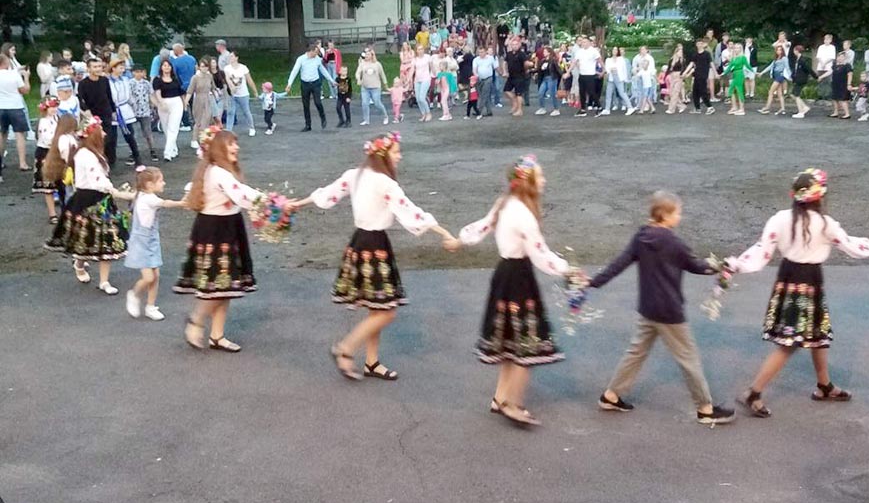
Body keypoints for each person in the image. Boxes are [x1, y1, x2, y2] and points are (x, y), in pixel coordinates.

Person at [291, 132, 457, 380]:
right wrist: (445, 233)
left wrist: (297, 204)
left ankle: (372, 362)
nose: (400, 156)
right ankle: (344, 348)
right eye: (396, 152)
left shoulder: (355, 175)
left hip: (360, 243)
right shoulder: (384, 183)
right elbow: (410, 212)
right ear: (383, 154)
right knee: (385, 311)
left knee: (377, 308)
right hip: (374, 245)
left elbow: (327, 195)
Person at [728, 169, 869, 418]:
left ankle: (824, 385)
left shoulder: (780, 219)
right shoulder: (825, 224)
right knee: (791, 342)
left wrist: (736, 265)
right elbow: (851, 246)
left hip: (787, 277)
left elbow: (761, 250)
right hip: (809, 279)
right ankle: (754, 392)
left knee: (818, 333)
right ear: (820, 197)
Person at [588, 192, 735, 424]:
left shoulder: (641, 237)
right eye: (678, 212)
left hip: (648, 308)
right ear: (665, 215)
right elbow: (695, 265)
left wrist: (594, 281)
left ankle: (611, 395)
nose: (680, 216)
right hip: (669, 311)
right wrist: (720, 267)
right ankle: (705, 408)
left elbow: (619, 263)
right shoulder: (673, 242)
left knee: (636, 352)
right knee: (688, 357)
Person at [456, 155, 573, 426]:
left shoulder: (506, 203)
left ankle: (500, 397)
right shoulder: (522, 214)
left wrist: (461, 239)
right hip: (518, 279)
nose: (544, 180)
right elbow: (541, 254)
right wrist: (568, 270)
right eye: (539, 176)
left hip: (504, 276)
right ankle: (512, 403)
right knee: (526, 347)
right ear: (527, 181)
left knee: (510, 342)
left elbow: (483, 226)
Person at [175, 128, 265, 353]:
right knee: (219, 284)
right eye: (231, 144)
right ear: (218, 148)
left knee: (226, 287)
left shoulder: (220, 171)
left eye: (236, 143)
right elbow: (241, 194)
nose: (237, 147)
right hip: (216, 230)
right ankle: (196, 320)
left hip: (227, 226)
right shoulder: (217, 173)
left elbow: (239, 195)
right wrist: (271, 202)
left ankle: (217, 335)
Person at [45, 117, 131, 293]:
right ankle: (79, 264)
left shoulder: (94, 152)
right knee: (87, 238)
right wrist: (117, 192)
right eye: (101, 131)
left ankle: (104, 281)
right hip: (87, 199)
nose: (105, 133)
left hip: (100, 198)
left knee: (106, 239)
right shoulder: (85, 155)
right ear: (93, 135)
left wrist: (112, 190)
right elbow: (97, 179)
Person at [124, 166, 186, 321]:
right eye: (161, 180)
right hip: (141, 242)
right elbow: (166, 203)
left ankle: (151, 306)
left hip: (151, 239)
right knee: (149, 277)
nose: (164, 183)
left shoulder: (141, 195)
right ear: (150, 185)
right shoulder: (149, 198)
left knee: (156, 274)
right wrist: (182, 203)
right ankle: (134, 294)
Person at [77, 58, 117, 162]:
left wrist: (113, 111)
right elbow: (80, 99)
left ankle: (109, 160)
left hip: (106, 112)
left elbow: (109, 96)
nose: (98, 69)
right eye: (95, 67)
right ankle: (96, 159)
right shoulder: (83, 84)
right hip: (92, 115)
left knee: (108, 138)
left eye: (99, 66)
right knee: (94, 138)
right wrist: (86, 110)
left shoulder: (104, 80)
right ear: (88, 69)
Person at [285, 45, 332, 131]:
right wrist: (289, 84)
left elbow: (323, 70)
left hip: (315, 83)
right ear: (311, 51)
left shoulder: (317, 59)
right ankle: (308, 125)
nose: (317, 54)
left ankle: (323, 117)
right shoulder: (301, 59)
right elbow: (295, 71)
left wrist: (331, 80)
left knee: (318, 102)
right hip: (305, 84)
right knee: (306, 105)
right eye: (316, 52)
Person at [0, 53, 31, 180]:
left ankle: (0, 160)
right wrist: (26, 77)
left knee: (2, 134)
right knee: (20, 134)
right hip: (16, 106)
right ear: (5, 62)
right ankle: (22, 162)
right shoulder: (13, 74)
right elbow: (25, 90)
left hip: (1, 106)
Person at [108, 58, 142, 166]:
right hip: (113, 110)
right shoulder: (107, 81)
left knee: (129, 135)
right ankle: (111, 160)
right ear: (113, 68)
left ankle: (137, 157)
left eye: (123, 67)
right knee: (112, 138)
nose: (122, 70)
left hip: (125, 109)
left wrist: (133, 105)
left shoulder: (125, 80)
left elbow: (129, 95)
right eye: (120, 67)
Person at [32, 98, 60, 223]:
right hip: (46, 153)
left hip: (57, 152)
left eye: (56, 106)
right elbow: (47, 139)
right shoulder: (43, 122)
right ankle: (52, 214)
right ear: (45, 108)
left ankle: (64, 211)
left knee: (61, 183)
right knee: (48, 185)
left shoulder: (57, 119)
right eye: (51, 107)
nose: (54, 109)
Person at [152, 59, 185, 162]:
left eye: (168, 65)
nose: (167, 67)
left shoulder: (176, 79)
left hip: (176, 102)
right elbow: (157, 93)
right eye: (164, 65)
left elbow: (181, 92)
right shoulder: (157, 80)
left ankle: (167, 152)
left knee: (173, 127)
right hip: (164, 103)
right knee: (166, 127)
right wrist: (161, 103)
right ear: (161, 67)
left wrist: (184, 104)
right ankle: (173, 148)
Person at [184, 58, 217, 148]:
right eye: (202, 66)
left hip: (207, 98)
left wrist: (217, 94)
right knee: (198, 120)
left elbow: (213, 87)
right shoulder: (195, 78)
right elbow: (190, 91)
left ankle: (204, 140)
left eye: (206, 66)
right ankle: (194, 139)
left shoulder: (209, 76)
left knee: (206, 120)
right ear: (199, 67)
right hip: (198, 99)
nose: (204, 68)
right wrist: (186, 102)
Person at [356, 48, 390, 126]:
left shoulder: (377, 64)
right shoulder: (362, 64)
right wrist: (358, 79)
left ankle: (385, 116)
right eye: (366, 54)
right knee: (364, 103)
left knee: (377, 103)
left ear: (372, 55)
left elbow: (382, 75)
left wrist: (385, 85)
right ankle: (366, 120)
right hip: (365, 87)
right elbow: (358, 73)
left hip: (375, 87)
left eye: (368, 54)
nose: (366, 56)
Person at [680, 40, 715, 115]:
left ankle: (710, 107)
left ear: (703, 45)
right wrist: (685, 72)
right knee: (695, 92)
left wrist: (715, 73)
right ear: (696, 45)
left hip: (703, 75)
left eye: (701, 44)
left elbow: (711, 63)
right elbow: (691, 64)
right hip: (696, 74)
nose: (699, 45)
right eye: (698, 44)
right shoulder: (695, 54)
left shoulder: (706, 54)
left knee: (703, 91)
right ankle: (697, 108)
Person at [569, 37, 602, 117]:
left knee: (591, 92)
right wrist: (568, 71)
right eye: (582, 42)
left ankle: (599, 106)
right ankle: (583, 109)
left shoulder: (593, 51)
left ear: (589, 43)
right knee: (582, 92)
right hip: (582, 74)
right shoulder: (579, 52)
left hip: (590, 74)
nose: (583, 44)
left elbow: (599, 61)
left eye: (585, 42)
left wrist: (603, 70)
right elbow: (574, 62)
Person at [129, 67, 157, 161]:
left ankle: (152, 150)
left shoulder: (146, 83)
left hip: (145, 111)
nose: (139, 74)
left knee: (148, 132)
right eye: (137, 72)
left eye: (141, 72)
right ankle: (134, 153)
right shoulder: (130, 83)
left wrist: (153, 105)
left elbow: (151, 95)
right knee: (134, 134)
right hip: (133, 111)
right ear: (133, 73)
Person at [757, 45, 789, 115]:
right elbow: (770, 66)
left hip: (780, 76)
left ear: (782, 51)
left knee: (771, 92)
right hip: (776, 75)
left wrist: (791, 76)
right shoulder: (776, 59)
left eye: (780, 50)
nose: (779, 51)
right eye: (777, 50)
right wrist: (762, 73)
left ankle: (767, 108)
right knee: (779, 93)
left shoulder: (784, 58)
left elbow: (787, 67)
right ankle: (782, 108)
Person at [788, 44, 817, 119]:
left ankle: (801, 112)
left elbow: (809, 69)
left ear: (797, 51)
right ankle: (804, 107)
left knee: (796, 95)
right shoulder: (798, 60)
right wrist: (792, 77)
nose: (793, 52)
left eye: (794, 50)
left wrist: (815, 77)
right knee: (793, 94)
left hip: (801, 80)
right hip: (798, 79)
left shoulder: (802, 60)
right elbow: (796, 70)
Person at [722, 42, 749, 115]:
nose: (736, 49)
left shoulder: (742, 57)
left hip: (739, 75)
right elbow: (730, 67)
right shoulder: (733, 57)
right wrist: (722, 73)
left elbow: (747, 66)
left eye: (738, 48)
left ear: (741, 49)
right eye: (735, 48)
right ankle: (734, 107)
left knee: (739, 91)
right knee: (731, 90)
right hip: (733, 74)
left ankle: (742, 109)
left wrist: (754, 72)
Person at [824, 52, 853, 119]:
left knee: (843, 99)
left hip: (843, 84)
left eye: (841, 57)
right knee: (834, 99)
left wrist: (849, 84)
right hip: (835, 84)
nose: (839, 58)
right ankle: (835, 112)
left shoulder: (847, 65)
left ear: (845, 58)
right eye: (838, 57)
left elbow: (850, 75)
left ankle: (847, 114)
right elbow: (829, 72)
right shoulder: (834, 65)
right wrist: (821, 77)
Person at [472, 46, 498, 117]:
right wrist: (476, 75)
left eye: (482, 52)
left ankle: (479, 111)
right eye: (479, 52)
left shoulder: (490, 58)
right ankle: (489, 111)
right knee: (482, 95)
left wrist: (501, 73)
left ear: (486, 52)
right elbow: (474, 69)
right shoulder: (476, 59)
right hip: (479, 79)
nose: (481, 54)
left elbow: (495, 67)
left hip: (488, 78)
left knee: (484, 94)